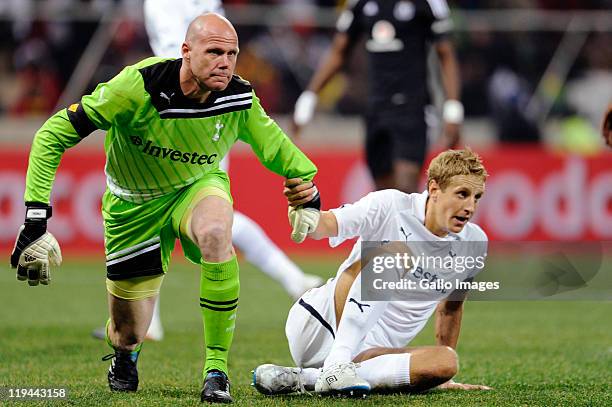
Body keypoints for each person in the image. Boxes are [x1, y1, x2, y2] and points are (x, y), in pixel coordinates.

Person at [10, 13, 321, 404]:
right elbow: (52, 134)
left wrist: (309, 190)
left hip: (196, 187)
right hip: (132, 207)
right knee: (128, 331)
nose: (225, 63)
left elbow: (275, 147)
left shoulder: (238, 96)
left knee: (216, 232)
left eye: (232, 54)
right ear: (186, 52)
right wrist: (36, 219)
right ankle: (125, 355)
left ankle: (216, 370)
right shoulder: (136, 86)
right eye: (214, 52)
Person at [90, 0, 323, 343]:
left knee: (203, 213)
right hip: (186, 100)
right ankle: (293, 279)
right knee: (209, 217)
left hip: (187, 106)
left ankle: (294, 280)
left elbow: (188, 52)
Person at [252, 149, 491, 397]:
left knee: (447, 362)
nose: (470, 207)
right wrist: (308, 217)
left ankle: (309, 378)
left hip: (372, 357)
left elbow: (451, 308)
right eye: (462, 194)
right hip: (322, 324)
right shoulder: (390, 205)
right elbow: (329, 224)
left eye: (477, 197)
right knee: (396, 253)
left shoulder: (474, 243)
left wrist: (439, 377)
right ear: (433, 189)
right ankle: (336, 364)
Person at [292, 0, 463, 193]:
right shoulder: (358, 3)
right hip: (375, 106)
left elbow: (446, 54)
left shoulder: (428, 3)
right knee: (383, 193)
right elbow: (340, 50)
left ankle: (411, 223)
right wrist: (308, 97)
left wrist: (453, 109)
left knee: (406, 186)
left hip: (412, 107)